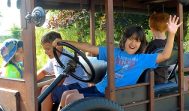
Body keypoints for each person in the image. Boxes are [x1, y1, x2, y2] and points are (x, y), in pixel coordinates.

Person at [54, 15, 182, 108]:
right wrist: (64, 42)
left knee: (72, 98)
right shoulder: (114, 52)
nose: (133, 43)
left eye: (137, 41)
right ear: (124, 39)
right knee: (67, 94)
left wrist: (171, 34)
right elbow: (89, 47)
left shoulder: (142, 59)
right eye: (130, 39)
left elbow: (165, 55)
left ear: (141, 44)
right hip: (98, 89)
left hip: (112, 96)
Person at [37, 31, 88, 111]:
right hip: (66, 86)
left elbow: (59, 82)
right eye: (44, 49)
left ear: (59, 46)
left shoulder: (66, 58)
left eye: (48, 49)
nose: (45, 52)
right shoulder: (54, 58)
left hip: (77, 87)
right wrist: (30, 82)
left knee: (45, 89)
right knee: (39, 89)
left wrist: (38, 85)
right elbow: (43, 72)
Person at [145, 12, 171, 84]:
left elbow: (144, 61)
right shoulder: (169, 44)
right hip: (164, 78)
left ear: (151, 28)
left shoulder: (153, 44)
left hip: (150, 79)